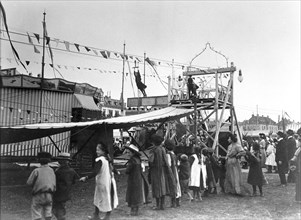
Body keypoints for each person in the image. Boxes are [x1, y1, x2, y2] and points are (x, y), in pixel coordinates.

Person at [80, 143, 118, 220]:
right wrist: (117, 172)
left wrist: (86, 177)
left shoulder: (100, 160)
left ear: (103, 151)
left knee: (100, 198)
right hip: (109, 182)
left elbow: (95, 172)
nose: (96, 151)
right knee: (106, 198)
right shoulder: (107, 159)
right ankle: (100, 215)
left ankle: (101, 216)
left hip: (103, 183)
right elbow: (112, 168)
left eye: (98, 150)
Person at [26, 152, 56, 220]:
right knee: (48, 212)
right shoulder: (51, 170)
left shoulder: (36, 171)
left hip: (38, 194)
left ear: (38, 160)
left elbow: (29, 182)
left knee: (36, 212)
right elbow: (54, 183)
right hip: (49, 194)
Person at [148, 134, 173, 210]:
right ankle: (162, 205)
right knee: (163, 187)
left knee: (156, 187)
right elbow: (165, 161)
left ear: (153, 142)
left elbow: (151, 161)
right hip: (163, 171)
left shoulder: (153, 150)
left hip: (155, 171)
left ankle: (157, 205)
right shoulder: (163, 149)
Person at [53, 152, 80, 220]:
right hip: (67, 192)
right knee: (61, 207)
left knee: (57, 208)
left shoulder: (57, 171)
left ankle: (61, 218)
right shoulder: (72, 171)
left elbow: (54, 181)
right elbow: (75, 180)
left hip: (58, 192)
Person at [125, 144, 149, 216]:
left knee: (132, 194)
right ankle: (137, 210)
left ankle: (132, 210)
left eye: (129, 152)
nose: (128, 154)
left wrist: (126, 169)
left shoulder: (132, 160)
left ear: (133, 153)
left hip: (133, 179)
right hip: (138, 179)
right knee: (137, 194)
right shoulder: (138, 159)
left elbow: (127, 171)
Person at [164, 139, 181, 207]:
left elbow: (168, 165)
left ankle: (173, 202)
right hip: (175, 170)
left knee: (172, 185)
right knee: (177, 185)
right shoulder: (174, 154)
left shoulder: (168, 155)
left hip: (171, 171)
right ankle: (177, 202)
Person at [289, 137, 301, 203]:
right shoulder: (298, 149)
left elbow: (294, 159)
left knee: (299, 184)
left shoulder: (299, 150)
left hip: (299, 169)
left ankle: (299, 198)